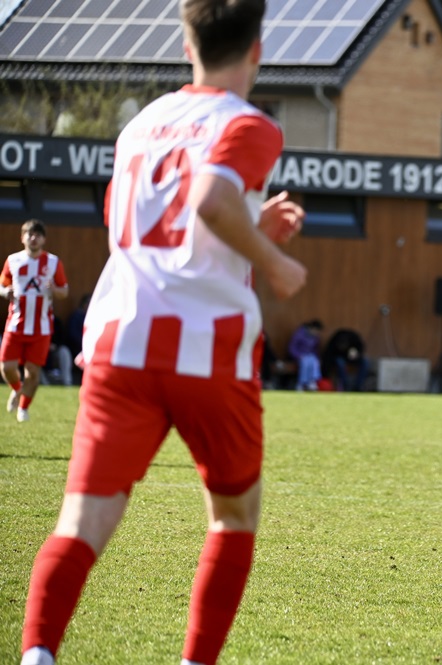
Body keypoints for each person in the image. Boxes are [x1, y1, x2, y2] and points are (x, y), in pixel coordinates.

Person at [19, 2, 307, 664]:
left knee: (82, 521)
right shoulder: (249, 124)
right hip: (208, 347)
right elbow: (207, 200)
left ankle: (37, 653)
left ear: (186, 45)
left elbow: (156, 229)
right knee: (233, 516)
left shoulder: (140, 125)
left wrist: (250, 230)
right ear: (257, 50)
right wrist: (274, 259)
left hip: (120, 342)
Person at [1, 219, 70, 422]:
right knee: (6, 367)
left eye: (38, 235)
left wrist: (54, 289)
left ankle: (23, 408)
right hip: (15, 324)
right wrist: (5, 292)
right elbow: (2, 284)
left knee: (32, 371)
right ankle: (17, 389)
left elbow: (64, 291)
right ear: (22, 238)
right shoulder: (13, 260)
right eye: (30, 234)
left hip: (41, 327)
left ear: (43, 239)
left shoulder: (53, 262)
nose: (33, 238)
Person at [323, 327, 369, 392]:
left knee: (365, 362)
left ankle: (358, 386)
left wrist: (357, 353)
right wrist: (325, 374)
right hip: (339, 358)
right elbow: (327, 357)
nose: (342, 349)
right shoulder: (334, 342)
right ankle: (345, 385)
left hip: (353, 356)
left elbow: (361, 347)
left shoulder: (354, 338)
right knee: (340, 362)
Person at [287, 319, 323, 391]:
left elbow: (315, 350)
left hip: (310, 357)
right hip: (299, 356)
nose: (316, 333)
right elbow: (292, 347)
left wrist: (316, 357)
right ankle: (301, 383)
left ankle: (312, 381)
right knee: (305, 362)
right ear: (312, 328)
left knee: (314, 361)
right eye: (316, 331)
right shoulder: (299, 334)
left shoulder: (316, 338)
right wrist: (298, 356)